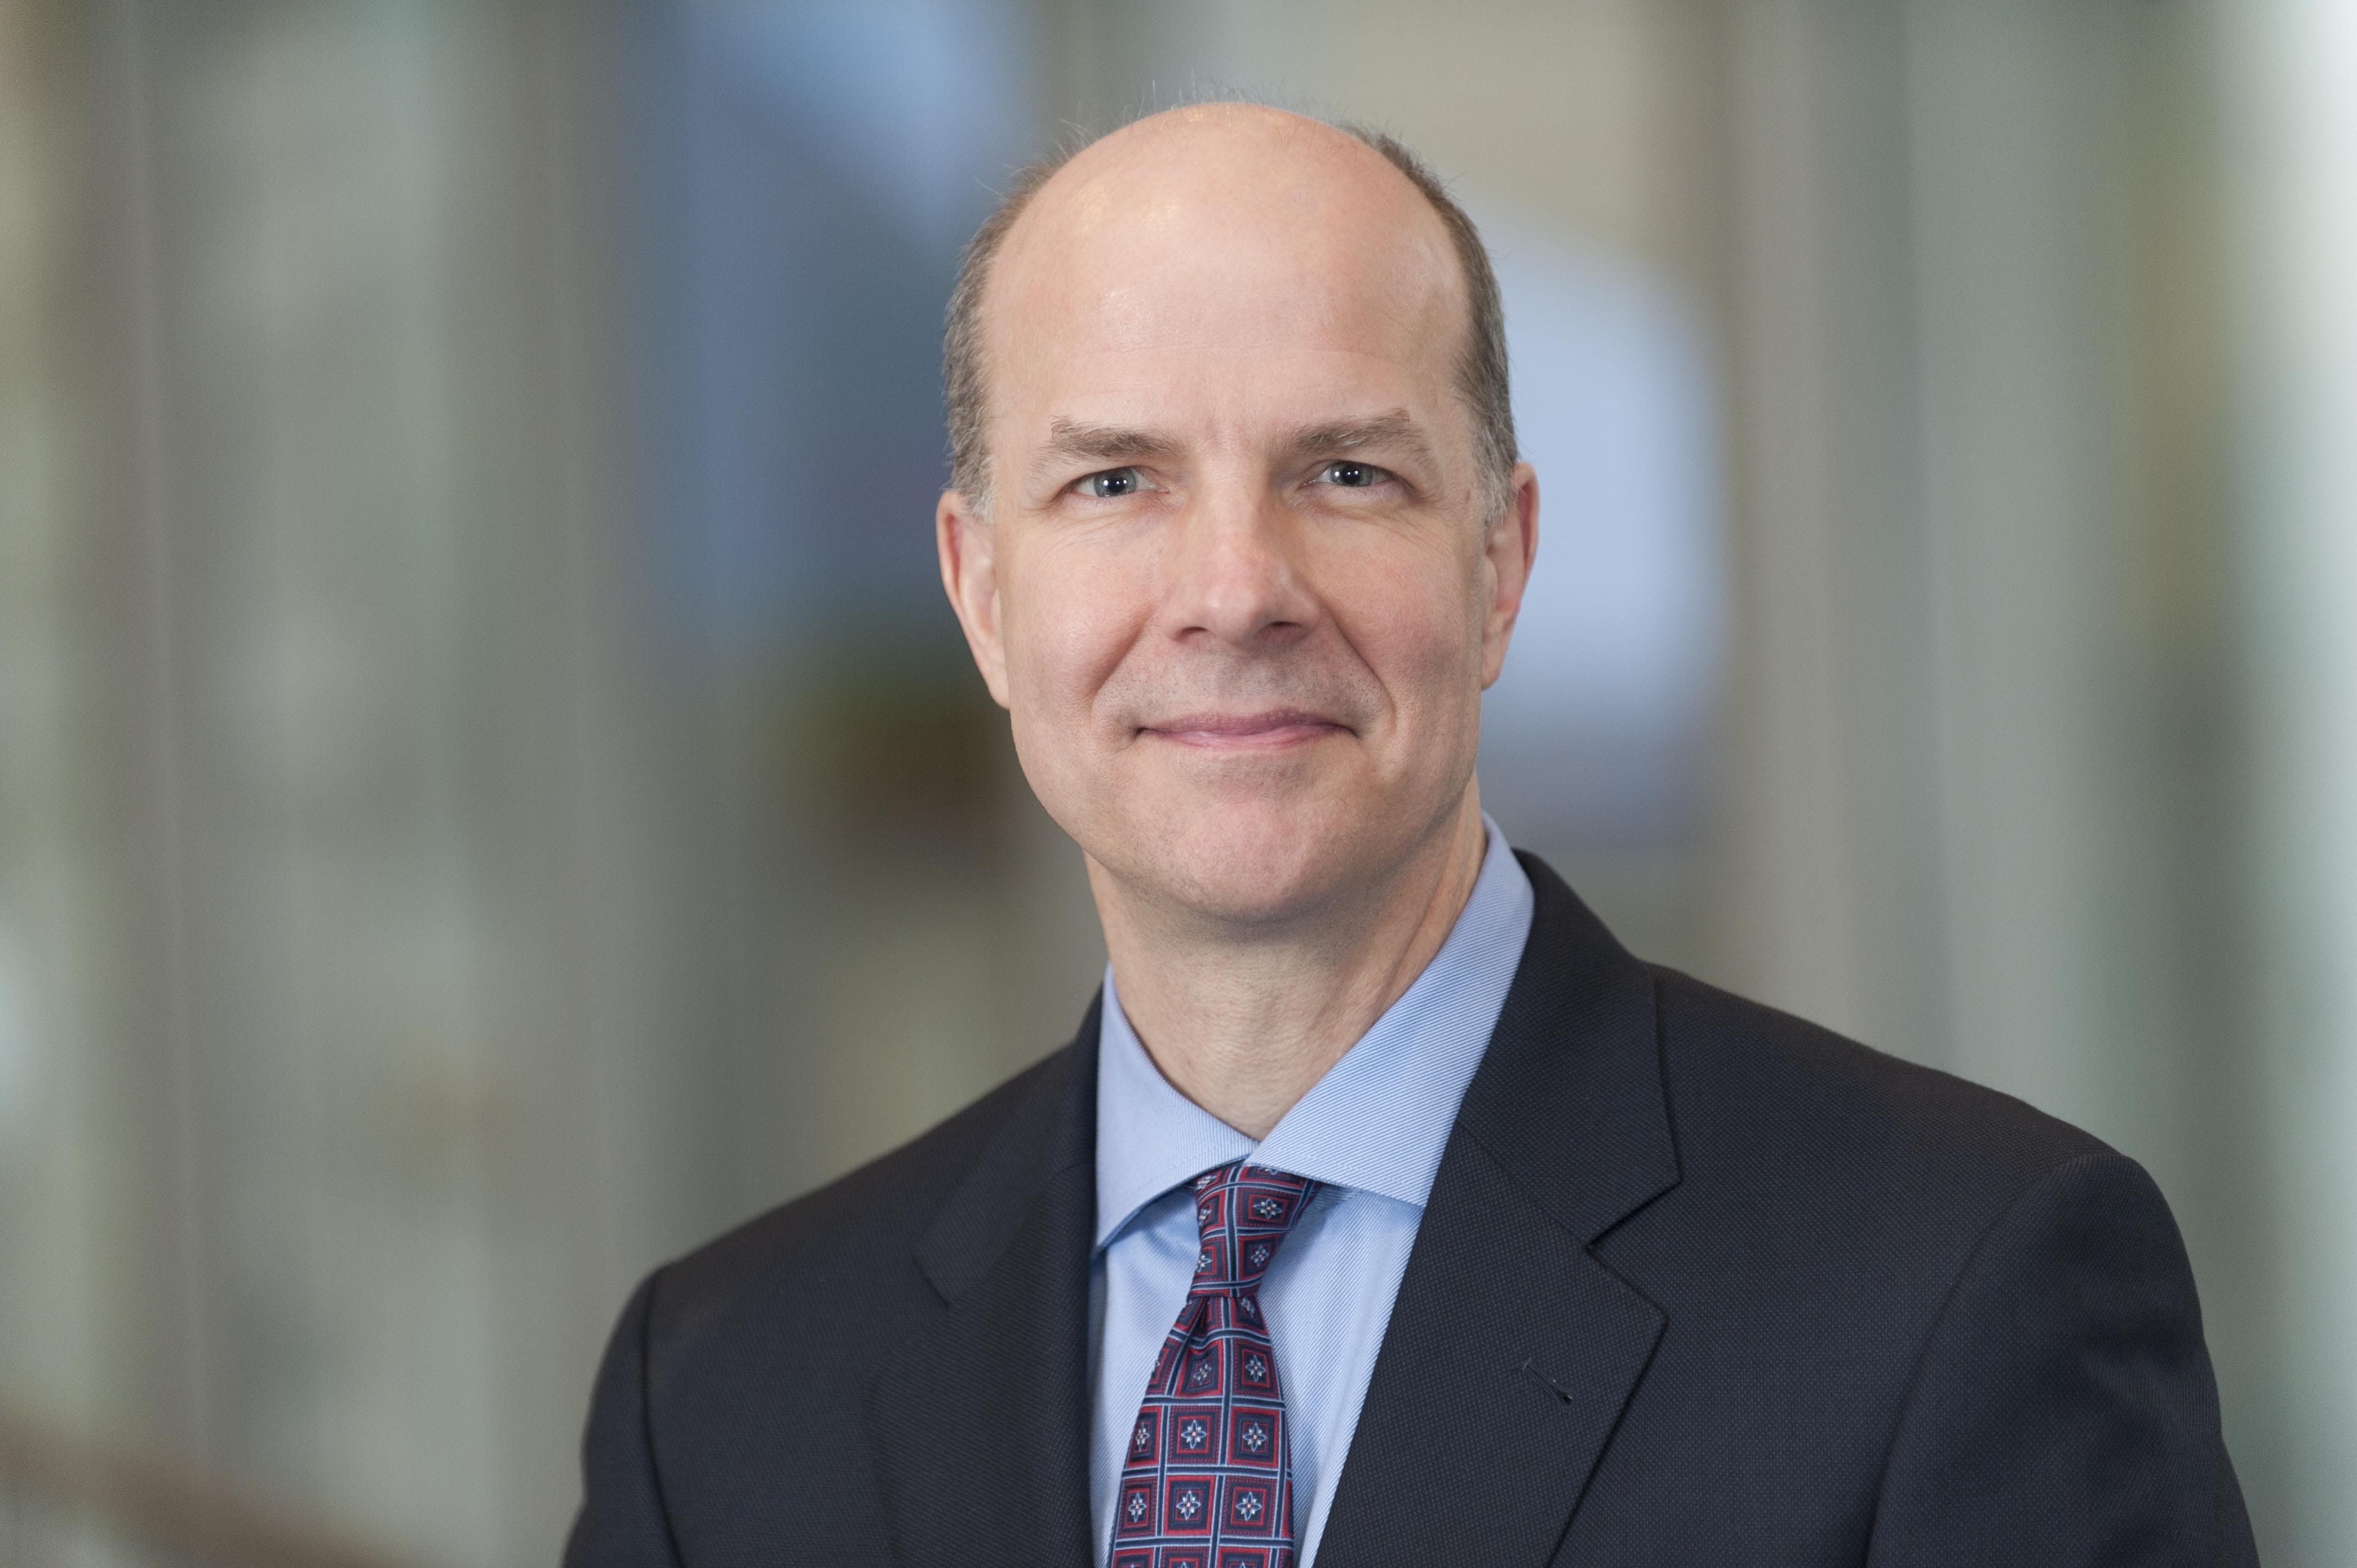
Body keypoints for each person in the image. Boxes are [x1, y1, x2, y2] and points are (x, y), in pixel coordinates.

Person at [565, 104, 2255, 1567]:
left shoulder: (1963, 1289)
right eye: (1114, 484)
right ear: (983, 594)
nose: (1234, 590)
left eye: (1348, 473)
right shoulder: (720, 1399)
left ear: (1502, 562)